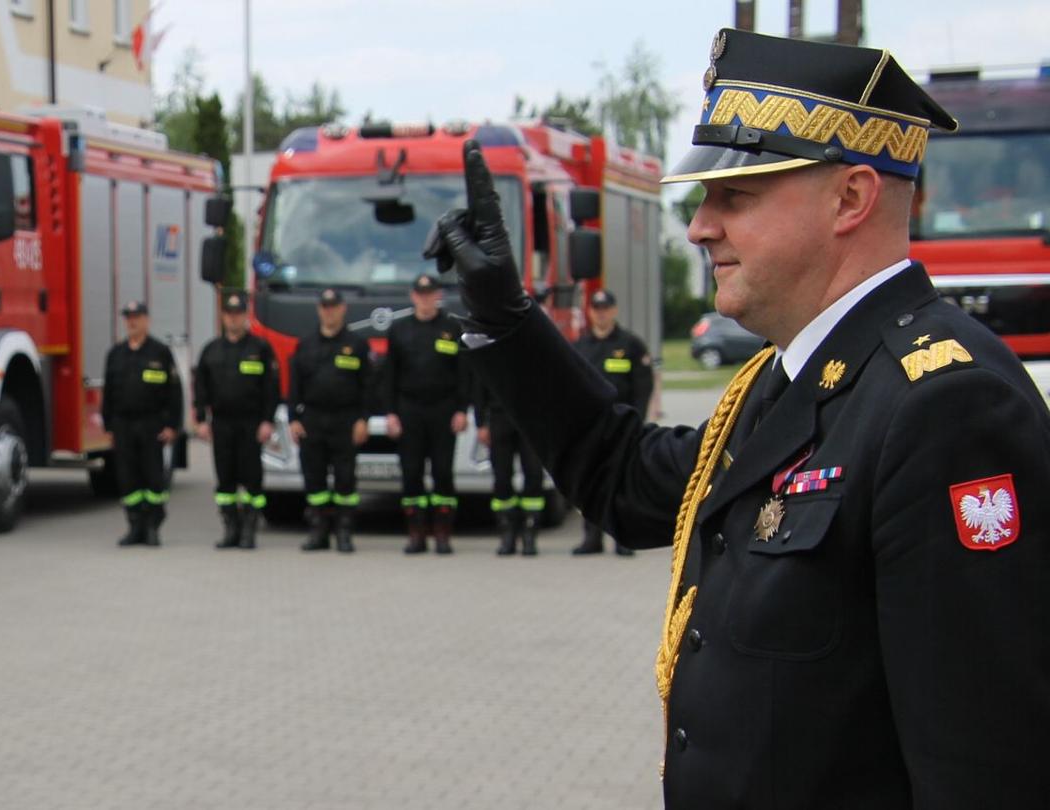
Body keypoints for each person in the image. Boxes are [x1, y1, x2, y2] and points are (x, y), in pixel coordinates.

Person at [427, 28, 1050, 806]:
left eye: (736, 196)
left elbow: (985, 769)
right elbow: (623, 478)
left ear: (850, 198)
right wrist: (509, 323)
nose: (699, 226)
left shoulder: (944, 404)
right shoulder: (783, 376)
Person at [381, 273, 470, 554]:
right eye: (420, 294)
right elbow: (388, 377)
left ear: (438, 295)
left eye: (430, 293)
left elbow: (464, 374)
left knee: (443, 472)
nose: (425, 299)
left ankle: (442, 533)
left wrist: (461, 410)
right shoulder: (399, 330)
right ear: (413, 297)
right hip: (410, 410)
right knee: (411, 473)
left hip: (444, 410)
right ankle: (416, 534)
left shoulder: (452, 328)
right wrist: (391, 414)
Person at [287, 287, 374, 553]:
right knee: (314, 481)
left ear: (342, 309)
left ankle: (344, 533)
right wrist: (293, 419)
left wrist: (363, 419)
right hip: (312, 419)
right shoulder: (306, 345)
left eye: (334, 307)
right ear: (319, 310)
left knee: (346, 480)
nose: (330, 312)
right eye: (325, 307)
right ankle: (319, 532)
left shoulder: (357, 346)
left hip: (345, 420)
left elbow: (367, 387)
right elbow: (294, 386)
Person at [191, 290, 280, 550]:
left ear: (245, 316)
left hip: (251, 424)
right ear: (223, 317)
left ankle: (250, 529)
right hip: (222, 424)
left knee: (252, 477)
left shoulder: (260, 348)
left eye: (238, 314)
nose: (233, 319)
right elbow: (201, 389)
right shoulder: (211, 350)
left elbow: (271, 388)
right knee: (225, 479)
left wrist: (268, 421)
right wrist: (200, 419)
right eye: (229, 314)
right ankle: (231, 528)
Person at [568, 289, 652, 556]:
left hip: (622, 425)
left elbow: (642, 386)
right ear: (590, 312)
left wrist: (638, 419)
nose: (601, 313)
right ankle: (591, 539)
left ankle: (623, 540)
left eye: (606, 308)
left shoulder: (630, 345)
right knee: (591, 484)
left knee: (622, 484)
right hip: (591, 426)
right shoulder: (580, 346)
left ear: (613, 311)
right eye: (596, 308)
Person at [99, 300, 181, 547]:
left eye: (136, 317)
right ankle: (135, 526)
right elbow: (109, 392)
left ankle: (153, 525)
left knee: (153, 478)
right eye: (128, 317)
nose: (132, 322)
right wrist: (108, 426)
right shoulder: (116, 354)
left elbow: (174, 392)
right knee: (127, 478)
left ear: (147, 320)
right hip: (123, 424)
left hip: (151, 424)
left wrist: (172, 426)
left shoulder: (159, 352)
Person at [472, 370, 545, 556]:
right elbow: (480, 387)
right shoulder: (493, 347)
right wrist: (480, 423)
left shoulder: (537, 349)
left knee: (534, 474)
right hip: (499, 418)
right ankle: (508, 533)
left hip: (532, 419)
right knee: (502, 477)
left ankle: (529, 534)